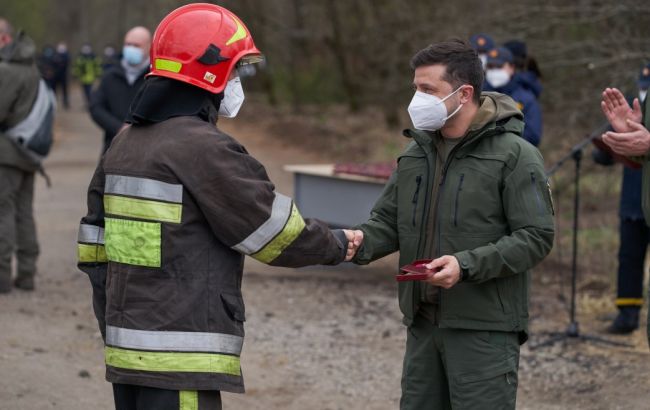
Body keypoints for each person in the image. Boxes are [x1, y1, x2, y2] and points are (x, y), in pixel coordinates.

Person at [76, 4, 361, 409]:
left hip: (128, 350)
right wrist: (336, 243)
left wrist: (119, 317)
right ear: (209, 73)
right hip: (179, 357)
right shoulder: (203, 149)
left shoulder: (126, 141)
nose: (239, 84)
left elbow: (93, 244)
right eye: (237, 72)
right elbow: (272, 232)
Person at [349, 39, 554, 409]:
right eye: (416, 88)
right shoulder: (416, 152)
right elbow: (389, 221)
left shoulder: (517, 156)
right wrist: (356, 241)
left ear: (464, 94)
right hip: (424, 325)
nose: (417, 99)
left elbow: (536, 237)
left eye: (428, 90)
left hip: (483, 331)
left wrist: (466, 265)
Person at [593, 64, 649, 334]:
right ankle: (627, 313)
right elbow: (606, 154)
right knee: (629, 257)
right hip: (633, 200)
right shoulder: (631, 108)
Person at [0, 18, 43, 292]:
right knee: (24, 213)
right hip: (29, 153)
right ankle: (27, 274)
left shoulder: (7, 70)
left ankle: (2, 277)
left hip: (6, 154)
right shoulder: (32, 68)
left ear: (4, 39)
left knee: (3, 212)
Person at [89, 26, 151, 153]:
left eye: (136, 45)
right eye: (128, 44)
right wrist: (118, 128)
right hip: (112, 146)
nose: (131, 48)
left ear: (149, 47)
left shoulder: (156, 77)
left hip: (148, 149)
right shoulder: (110, 75)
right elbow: (96, 107)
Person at [483, 46, 543, 146]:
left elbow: (533, 137)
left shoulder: (526, 98)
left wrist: (497, 137)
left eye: (499, 66)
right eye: (490, 67)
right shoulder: (479, 95)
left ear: (511, 68)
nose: (494, 71)